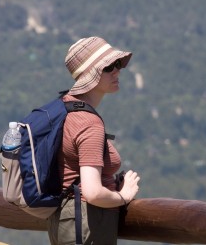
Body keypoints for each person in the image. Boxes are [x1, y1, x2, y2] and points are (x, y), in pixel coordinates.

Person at [47, 36, 141, 245]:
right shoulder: (89, 123)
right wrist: (124, 195)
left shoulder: (63, 107)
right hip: (86, 225)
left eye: (117, 64)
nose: (117, 71)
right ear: (91, 75)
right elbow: (92, 193)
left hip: (65, 220)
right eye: (109, 67)